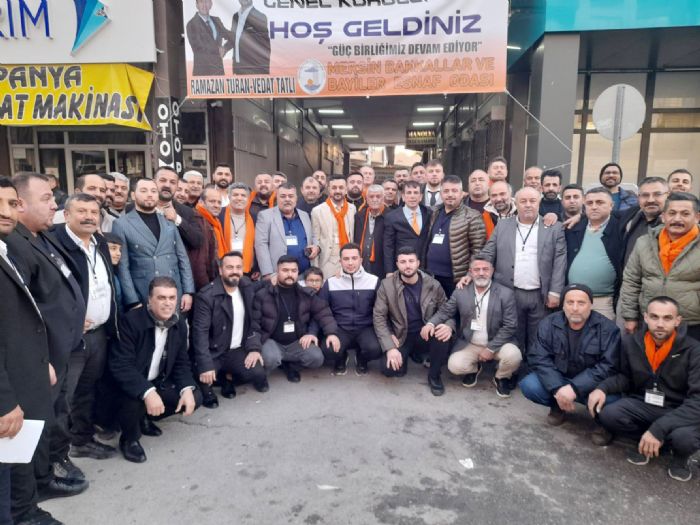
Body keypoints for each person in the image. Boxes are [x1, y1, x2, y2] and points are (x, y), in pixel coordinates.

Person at [6, 173, 88, 502]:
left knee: (56, 414)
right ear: (21, 204)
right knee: (40, 420)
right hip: (44, 356)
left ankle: (51, 466)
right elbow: (24, 311)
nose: (55, 205)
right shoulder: (15, 245)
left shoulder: (40, 235)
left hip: (64, 348)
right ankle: (39, 482)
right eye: (46, 199)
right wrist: (44, 359)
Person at [0, 177, 59, 525]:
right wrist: (4, 401)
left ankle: (25, 511)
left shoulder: (6, 249)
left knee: (15, 461)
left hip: (23, 372)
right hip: (7, 391)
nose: (6, 212)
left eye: (11, 204)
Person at [591, 297, 700, 481]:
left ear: (677, 321)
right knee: (608, 414)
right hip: (645, 404)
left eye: (667, 318)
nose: (660, 324)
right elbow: (626, 377)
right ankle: (646, 441)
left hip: (678, 409)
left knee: (685, 439)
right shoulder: (632, 342)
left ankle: (679, 457)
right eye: (654, 317)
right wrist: (602, 388)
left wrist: (658, 429)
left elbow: (697, 401)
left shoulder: (694, 350)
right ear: (646, 317)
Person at [51, 195, 118, 461]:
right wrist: (71, 319)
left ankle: (81, 440)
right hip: (71, 337)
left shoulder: (99, 242)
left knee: (86, 391)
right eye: (82, 211)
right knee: (63, 398)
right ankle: (56, 458)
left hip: (98, 333)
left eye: (94, 211)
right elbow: (48, 292)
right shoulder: (54, 244)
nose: (89, 216)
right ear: (66, 215)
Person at [110, 277, 201, 463]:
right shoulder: (130, 322)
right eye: (161, 298)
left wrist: (186, 388)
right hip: (129, 383)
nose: (168, 303)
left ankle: (145, 417)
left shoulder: (179, 323)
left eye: (172, 298)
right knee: (134, 400)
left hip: (158, 380)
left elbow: (181, 362)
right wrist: (147, 392)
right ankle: (129, 438)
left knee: (194, 397)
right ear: (149, 300)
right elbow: (121, 365)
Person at [476, 186, 567, 353]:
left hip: (541, 295)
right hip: (509, 292)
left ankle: (534, 366)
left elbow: (559, 261)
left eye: (532, 201)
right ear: (515, 203)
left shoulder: (554, 228)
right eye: (523, 201)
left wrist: (555, 292)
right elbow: (488, 252)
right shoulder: (503, 226)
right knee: (512, 337)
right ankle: (514, 367)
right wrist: (472, 273)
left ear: (539, 203)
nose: (528, 205)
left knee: (538, 338)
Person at [520, 284, 620, 431]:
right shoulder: (548, 323)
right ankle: (558, 405)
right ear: (563, 305)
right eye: (570, 302)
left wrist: (575, 388)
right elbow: (539, 358)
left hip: (592, 385)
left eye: (581, 303)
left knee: (613, 401)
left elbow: (608, 366)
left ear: (591, 305)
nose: (575, 308)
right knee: (530, 385)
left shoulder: (608, 329)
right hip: (560, 379)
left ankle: (603, 422)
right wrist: (557, 388)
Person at [427, 256, 521, 397]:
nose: (481, 273)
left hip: (498, 343)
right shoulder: (461, 291)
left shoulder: (505, 294)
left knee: (514, 356)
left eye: (485, 269)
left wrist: (490, 348)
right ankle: (475, 369)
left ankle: (501, 377)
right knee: (455, 366)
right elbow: (446, 311)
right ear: (470, 272)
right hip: (471, 343)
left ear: (492, 271)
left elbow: (510, 326)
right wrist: (430, 323)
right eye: (477, 270)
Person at [620, 192, 700, 341]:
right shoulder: (644, 243)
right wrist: (630, 317)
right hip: (651, 321)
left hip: (692, 324)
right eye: (672, 213)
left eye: (685, 214)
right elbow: (631, 281)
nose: (677, 219)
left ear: (697, 217)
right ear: (663, 217)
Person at [192, 251, 268, 406]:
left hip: (236, 350)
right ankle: (220, 378)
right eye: (230, 267)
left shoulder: (246, 285)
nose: (235, 271)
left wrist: (254, 349)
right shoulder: (206, 296)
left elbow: (254, 322)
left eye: (238, 267)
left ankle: (227, 376)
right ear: (220, 270)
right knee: (204, 391)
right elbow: (200, 333)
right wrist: (205, 365)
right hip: (214, 352)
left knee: (258, 374)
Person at [373, 247, 452, 396]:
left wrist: (447, 326)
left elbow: (446, 310)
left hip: (425, 333)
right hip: (401, 335)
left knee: (442, 334)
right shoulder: (386, 285)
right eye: (403, 262)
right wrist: (389, 347)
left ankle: (434, 375)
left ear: (418, 263)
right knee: (389, 370)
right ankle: (409, 353)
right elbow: (379, 317)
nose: (407, 265)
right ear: (397, 264)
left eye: (411, 261)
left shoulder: (433, 284)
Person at [249, 256, 340, 382]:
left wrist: (331, 333)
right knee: (270, 358)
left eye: (293, 270)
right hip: (271, 341)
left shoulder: (305, 294)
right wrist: (254, 349)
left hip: (296, 341)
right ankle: (267, 370)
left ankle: (291, 365)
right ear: (277, 271)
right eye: (285, 270)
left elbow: (323, 312)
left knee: (316, 358)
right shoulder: (263, 295)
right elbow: (254, 324)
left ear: (298, 272)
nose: (289, 274)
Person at [111, 178, 195, 311]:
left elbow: (182, 257)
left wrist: (188, 291)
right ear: (133, 195)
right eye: (144, 191)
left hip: (173, 292)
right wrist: (132, 301)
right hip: (143, 293)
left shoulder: (168, 221)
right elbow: (122, 266)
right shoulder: (121, 224)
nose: (149, 194)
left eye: (153, 191)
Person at [318, 243, 383, 375]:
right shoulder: (331, 283)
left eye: (354, 258)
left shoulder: (374, 281)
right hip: (340, 328)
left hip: (365, 327)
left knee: (376, 349)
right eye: (346, 259)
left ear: (361, 260)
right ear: (340, 261)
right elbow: (322, 310)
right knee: (328, 350)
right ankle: (341, 358)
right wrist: (330, 332)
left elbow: (382, 310)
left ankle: (362, 358)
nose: (350, 262)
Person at [423, 175, 486, 297]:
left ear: (462, 194)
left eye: (454, 191)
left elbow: (478, 250)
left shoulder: (472, 216)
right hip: (430, 275)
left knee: (454, 309)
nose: (450, 194)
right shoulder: (433, 212)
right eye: (446, 191)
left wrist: (470, 273)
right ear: (441, 194)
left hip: (456, 278)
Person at [565, 187, 623, 320]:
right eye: (589, 203)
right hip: (573, 298)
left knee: (603, 332)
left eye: (600, 202)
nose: (594, 207)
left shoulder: (620, 226)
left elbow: (638, 210)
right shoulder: (574, 227)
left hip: (603, 301)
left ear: (611, 205)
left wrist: (580, 215)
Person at [255, 183, 316, 278]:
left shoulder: (305, 215)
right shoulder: (265, 216)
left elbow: (312, 237)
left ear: (296, 198)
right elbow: (261, 245)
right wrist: (267, 273)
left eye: (291, 196)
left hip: (305, 274)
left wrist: (316, 247)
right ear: (277, 198)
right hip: (277, 276)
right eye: (283, 196)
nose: (287, 199)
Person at [311, 175, 356, 279]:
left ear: (346, 189)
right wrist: (315, 268)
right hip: (327, 261)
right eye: (334, 188)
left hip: (349, 260)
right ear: (328, 189)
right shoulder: (318, 211)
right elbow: (315, 240)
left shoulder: (352, 209)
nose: (338, 191)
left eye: (341, 187)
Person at [619, 177, 669, 266]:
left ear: (668, 196)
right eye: (645, 195)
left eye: (657, 194)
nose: (650, 200)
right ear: (638, 197)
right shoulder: (630, 217)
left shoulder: (675, 226)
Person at [383, 180, 430, 275]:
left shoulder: (428, 213)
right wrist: (389, 271)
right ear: (403, 197)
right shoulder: (392, 217)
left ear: (421, 197)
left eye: (415, 193)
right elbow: (388, 246)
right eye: (409, 193)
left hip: (425, 266)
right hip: (402, 267)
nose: (412, 196)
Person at [223, 0, 271, 75]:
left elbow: (265, 46)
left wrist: (263, 72)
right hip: (238, 67)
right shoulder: (235, 16)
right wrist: (224, 48)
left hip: (254, 68)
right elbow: (234, 38)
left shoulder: (259, 17)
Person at [186, 0, 229, 76]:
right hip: (202, 74)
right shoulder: (191, 24)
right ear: (197, 5)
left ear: (211, 4)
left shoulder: (217, 20)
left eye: (207, 1)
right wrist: (218, 49)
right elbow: (199, 47)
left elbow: (230, 36)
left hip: (219, 72)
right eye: (201, 2)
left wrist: (225, 48)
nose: (204, 5)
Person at [353, 184, 387, 276]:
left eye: (378, 196)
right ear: (367, 199)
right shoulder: (359, 216)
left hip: (381, 266)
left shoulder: (390, 216)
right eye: (371, 197)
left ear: (383, 198)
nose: (375, 199)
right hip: (361, 265)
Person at [464, 170, 496, 239]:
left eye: (481, 180)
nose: (477, 183)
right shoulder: (459, 206)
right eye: (473, 181)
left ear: (489, 185)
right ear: (468, 186)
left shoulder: (496, 207)